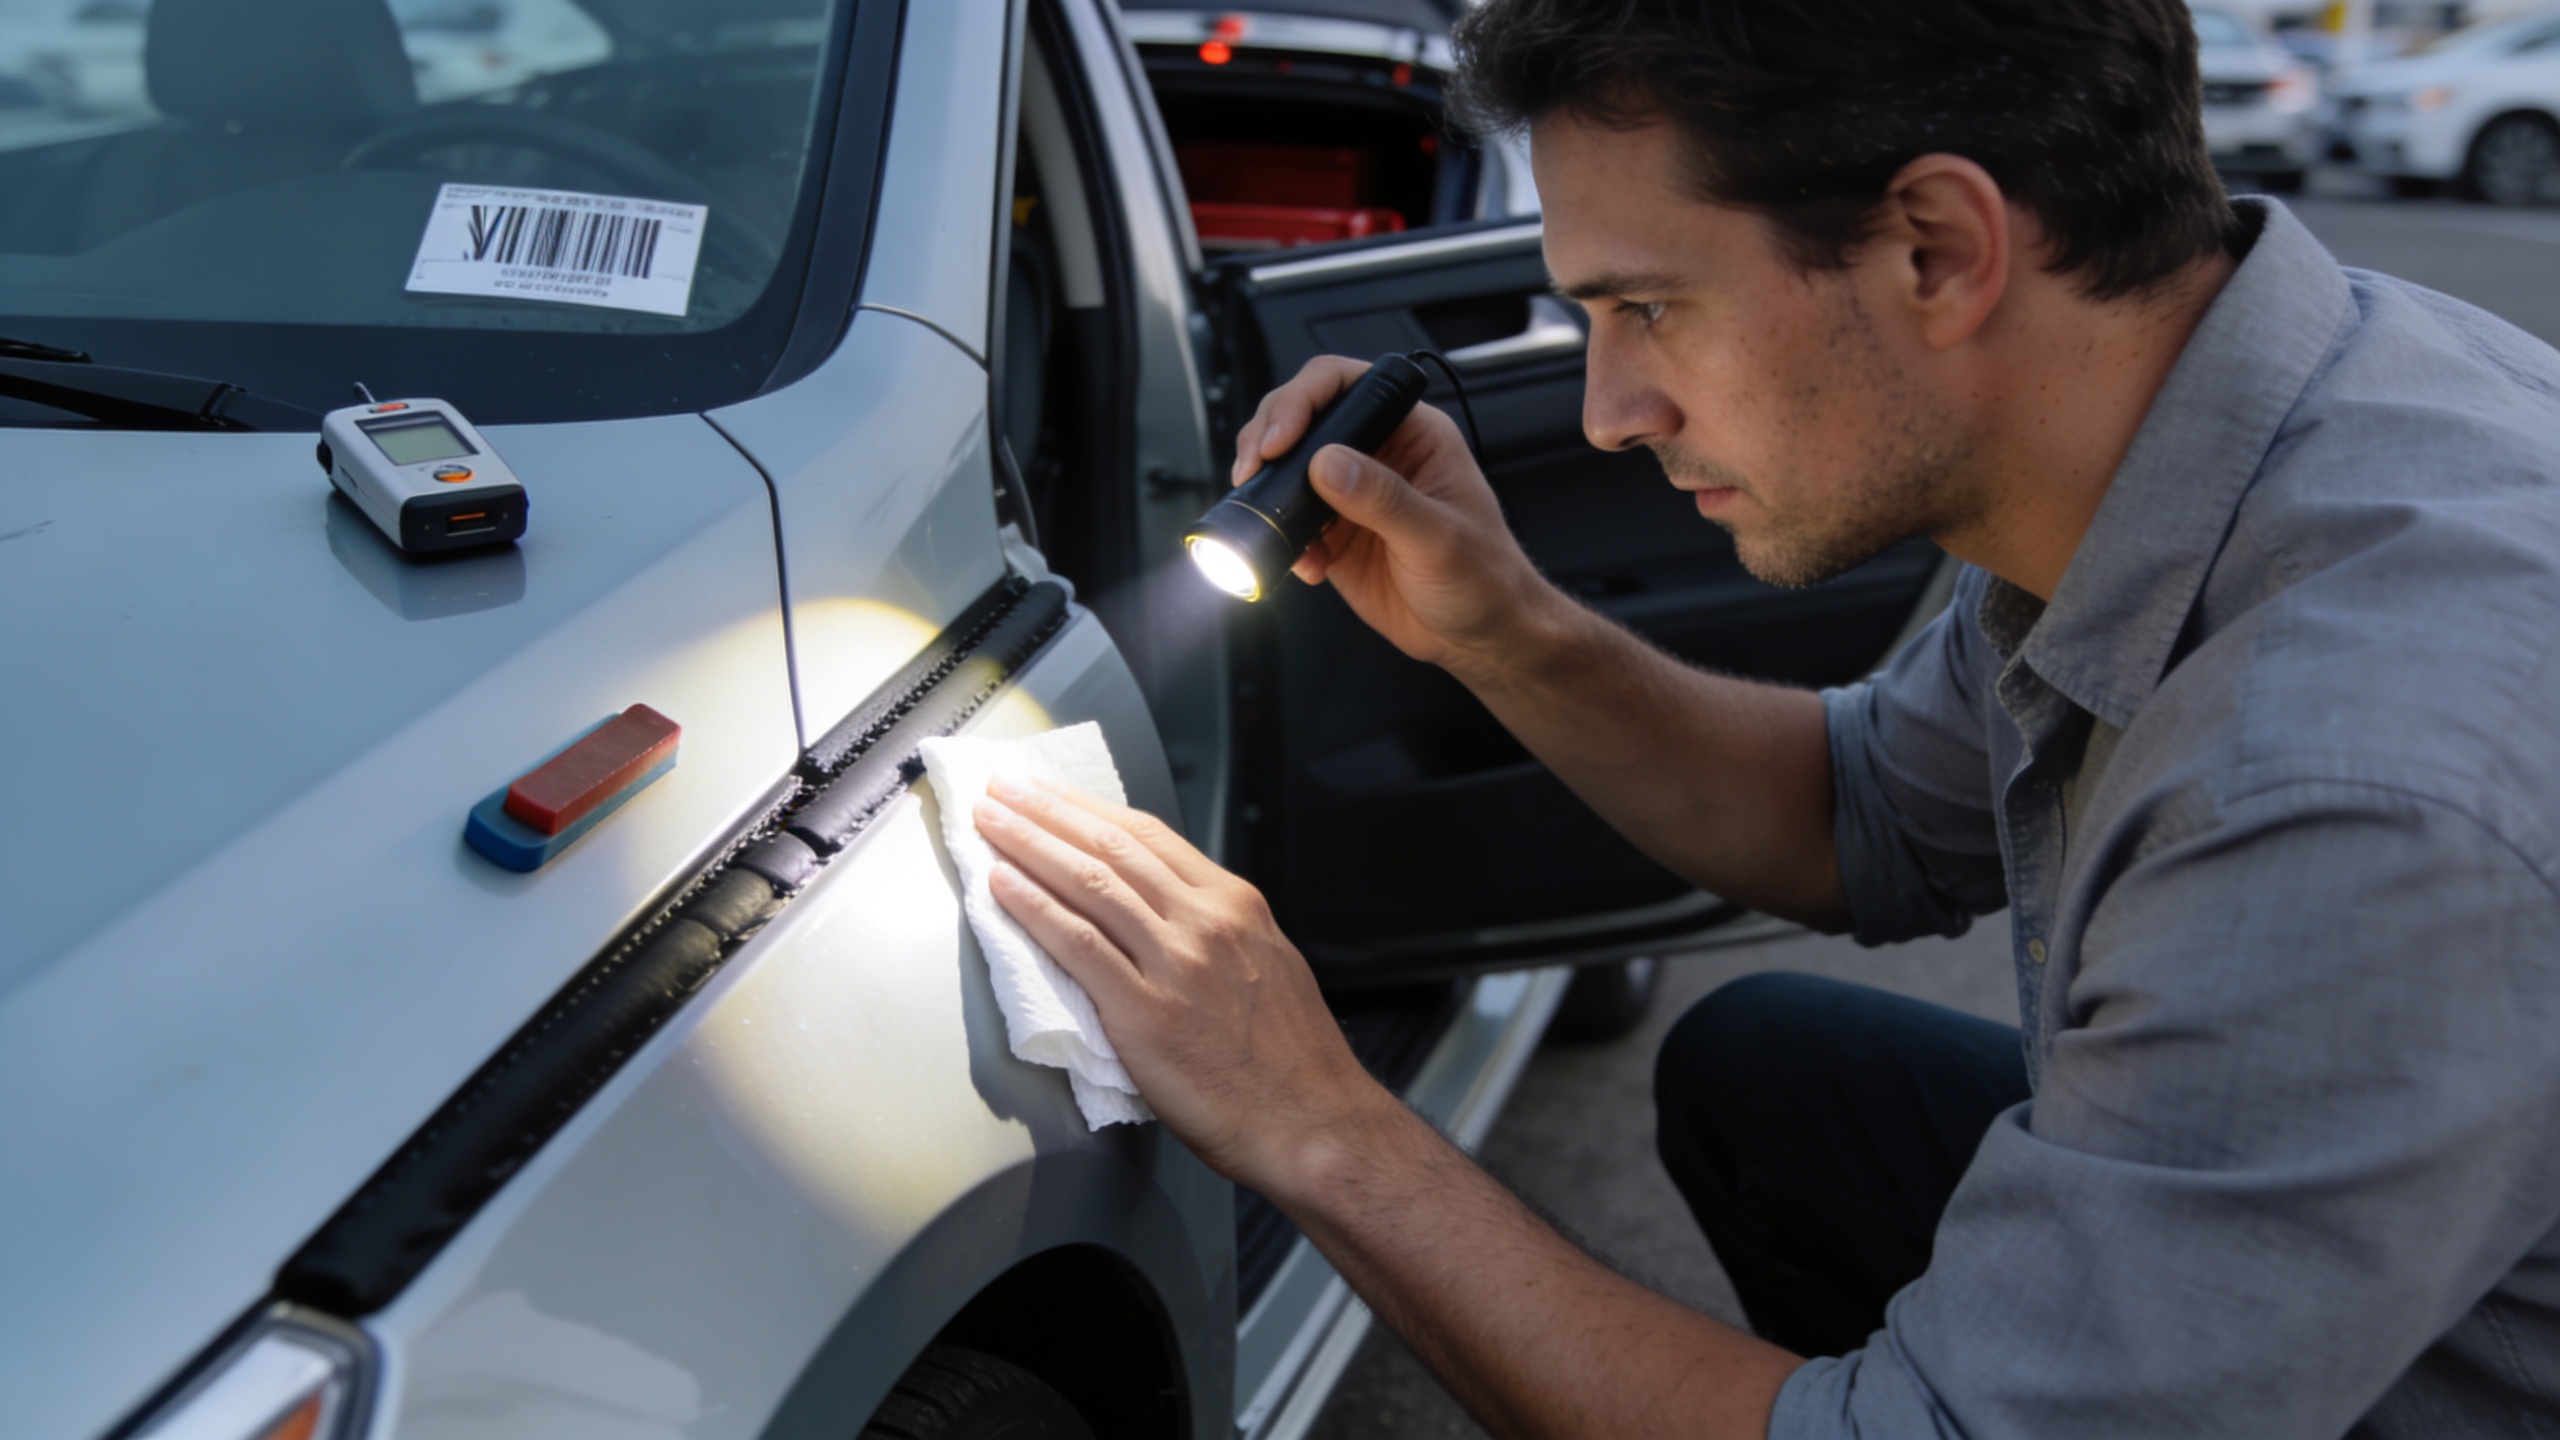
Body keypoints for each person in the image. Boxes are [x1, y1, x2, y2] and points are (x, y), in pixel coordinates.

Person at [966, 0, 2560, 1433]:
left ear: (1937, 246)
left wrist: (1310, 1120)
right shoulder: (2238, 407)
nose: (1607, 413)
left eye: (1648, 308)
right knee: (1774, 1079)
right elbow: (1853, 812)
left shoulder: (2348, 787)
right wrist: (1501, 623)